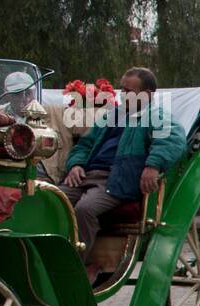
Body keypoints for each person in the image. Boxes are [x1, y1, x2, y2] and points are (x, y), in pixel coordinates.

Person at [61, 68, 186, 277]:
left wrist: (153, 165)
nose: (123, 95)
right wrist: (76, 164)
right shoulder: (110, 117)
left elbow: (172, 141)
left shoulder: (157, 117)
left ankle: (78, 268)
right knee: (49, 200)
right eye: (122, 90)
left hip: (115, 181)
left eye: (129, 91)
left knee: (85, 209)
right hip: (86, 176)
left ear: (147, 94)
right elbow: (84, 144)